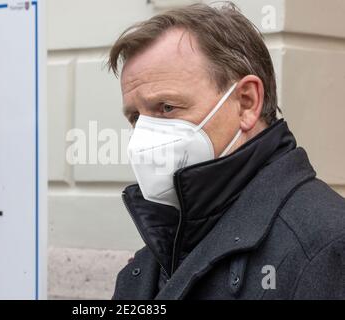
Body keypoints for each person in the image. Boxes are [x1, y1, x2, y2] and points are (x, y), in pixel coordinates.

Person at [107, 3, 345, 299]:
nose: (144, 134)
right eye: (136, 117)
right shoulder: (159, 251)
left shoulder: (326, 246)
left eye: (167, 107)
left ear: (246, 102)